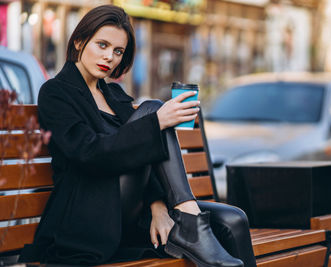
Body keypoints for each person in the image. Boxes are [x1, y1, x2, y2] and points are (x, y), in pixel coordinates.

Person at [18, 5, 256, 267]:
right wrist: (156, 122)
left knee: (233, 221)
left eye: (118, 51)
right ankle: (189, 214)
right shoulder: (56, 93)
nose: (109, 56)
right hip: (87, 215)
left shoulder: (116, 96)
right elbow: (89, 153)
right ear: (79, 41)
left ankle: (189, 216)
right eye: (102, 45)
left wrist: (158, 205)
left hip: (130, 212)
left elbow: (142, 156)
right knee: (153, 111)